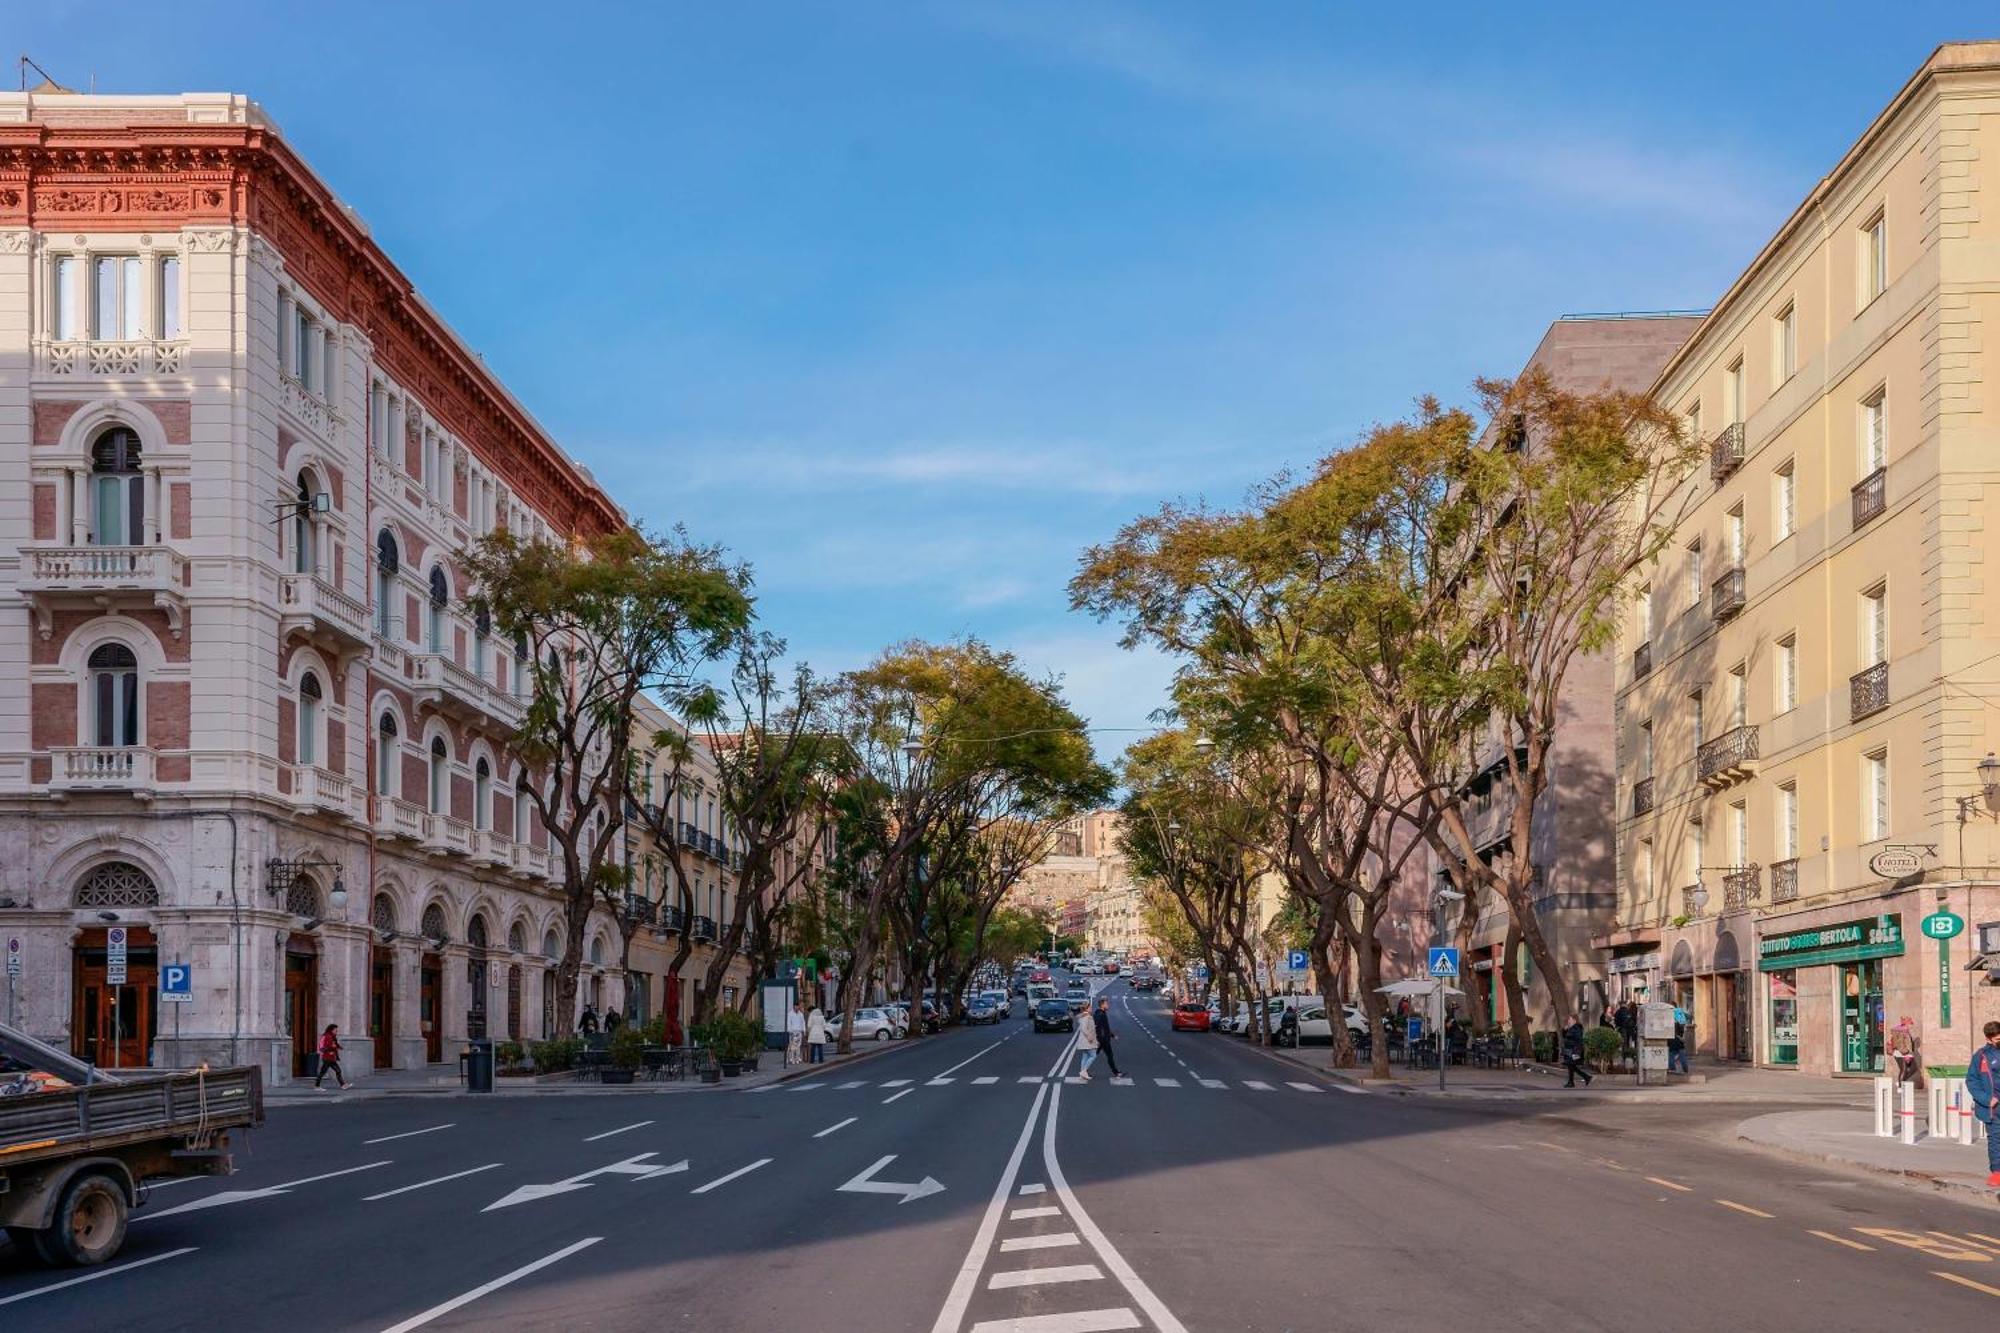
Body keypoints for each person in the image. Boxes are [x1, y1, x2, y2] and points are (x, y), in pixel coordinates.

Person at [1966, 1021, 2000, 1188]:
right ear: (1988, 1039)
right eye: (1997, 1039)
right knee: (1995, 1139)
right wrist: (1987, 1099)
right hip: (1993, 1107)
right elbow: (1972, 1080)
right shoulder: (1981, 1056)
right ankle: (1997, 1172)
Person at [1888, 1017, 1925, 1090]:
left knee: (1910, 1068)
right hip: (1902, 1052)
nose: (1911, 1025)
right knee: (1904, 1069)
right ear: (1906, 1022)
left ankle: (1901, 1083)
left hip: (1900, 1052)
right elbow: (1903, 1043)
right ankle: (1900, 1086)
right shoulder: (1903, 1030)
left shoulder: (1900, 1029)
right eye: (1910, 1022)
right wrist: (1906, 1052)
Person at [1093, 997, 1123, 1080]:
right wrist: (1097, 1038)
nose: (1108, 1005)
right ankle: (1116, 1073)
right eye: (1106, 1004)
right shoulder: (1100, 1014)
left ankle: (1116, 1072)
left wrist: (1112, 1035)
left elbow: (1105, 1028)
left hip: (1103, 1039)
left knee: (1104, 1056)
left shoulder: (1101, 1013)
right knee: (1094, 1056)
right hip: (1102, 1040)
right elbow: (1096, 1026)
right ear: (1102, 1005)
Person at [1560, 1015, 1593, 1088]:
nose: (1568, 1021)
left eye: (1570, 1019)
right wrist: (1564, 1030)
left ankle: (1582, 1078)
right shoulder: (1571, 1028)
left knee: (1570, 1065)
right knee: (1571, 1065)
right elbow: (1565, 1037)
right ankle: (1584, 1078)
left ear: (1574, 1020)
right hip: (1570, 1051)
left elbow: (1578, 1041)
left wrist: (1577, 1052)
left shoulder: (1577, 1028)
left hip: (1575, 1051)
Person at [314, 1023, 349, 1091]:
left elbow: (335, 1044)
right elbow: (322, 1046)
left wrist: (340, 1047)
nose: (336, 1031)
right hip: (327, 1058)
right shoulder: (326, 1036)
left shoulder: (332, 1037)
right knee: (323, 1072)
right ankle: (317, 1086)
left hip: (331, 1058)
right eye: (335, 1030)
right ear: (331, 1030)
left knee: (338, 1070)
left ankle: (343, 1085)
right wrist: (329, 1049)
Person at [1075, 1000, 1100, 1081]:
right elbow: (1084, 1028)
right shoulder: (1087, 1016)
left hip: (1084, 1041)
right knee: (1093, 1055)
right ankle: (1084, 1071)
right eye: (1090, 1007)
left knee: (1085, 1057)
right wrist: (1089, 1037)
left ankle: (1082, 1074)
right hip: (1087, 1040)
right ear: (1087, 1008)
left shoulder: (1084, 1016)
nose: (1091, 1008)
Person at [785, 1001, 806, 1067]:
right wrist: (790, 1031)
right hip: (793, 1032)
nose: (797, 1007)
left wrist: (804, 1031)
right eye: (796, 1006)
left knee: (798, 1046)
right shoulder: (790, 1014)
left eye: (798, 1006)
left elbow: (803, 1022)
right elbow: (789, 1023)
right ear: (794, 1006)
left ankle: (798, 1058)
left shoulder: (801, 1014)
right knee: (792, 1046)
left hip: (799, 1031)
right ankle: (791, 1058)